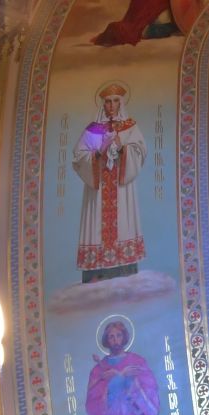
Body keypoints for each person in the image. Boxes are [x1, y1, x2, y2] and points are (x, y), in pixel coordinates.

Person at [71, 82, 145, 283]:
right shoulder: (93, 129)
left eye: (115, 101)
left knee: (124, 222)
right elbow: (78, 157)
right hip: (99, 189)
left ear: (121, 103)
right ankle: (96, 274)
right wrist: (97, 153)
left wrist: (122, 147)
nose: (111, 106)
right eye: (107, 102)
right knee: (97, 225)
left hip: (122, 191)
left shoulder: (130, 127)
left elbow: (140, 152)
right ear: (102, 105)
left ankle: (125, 272)